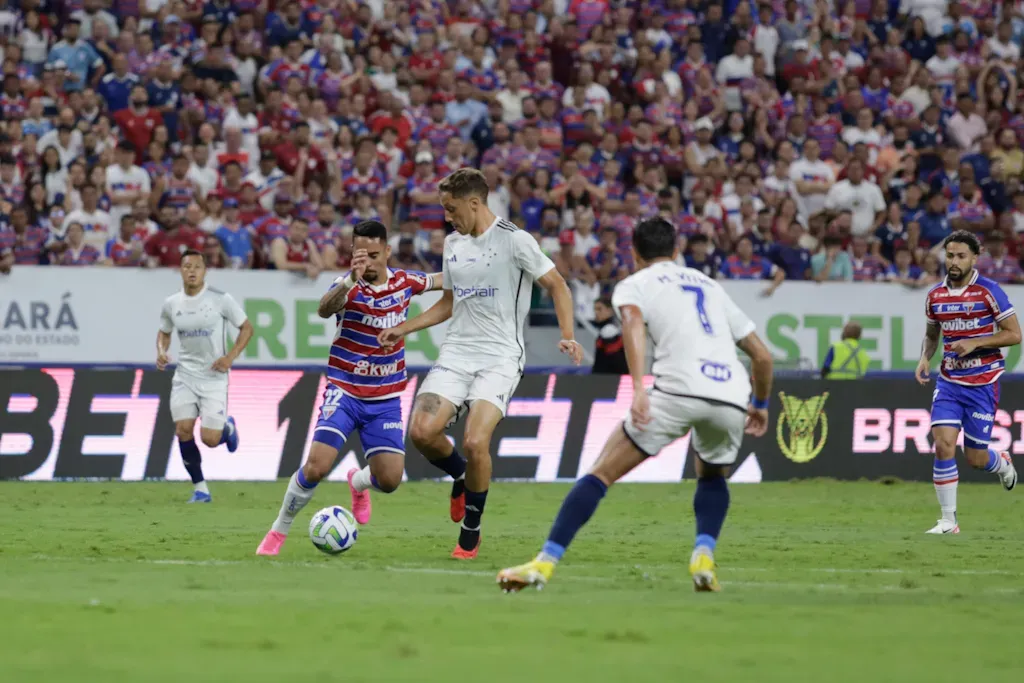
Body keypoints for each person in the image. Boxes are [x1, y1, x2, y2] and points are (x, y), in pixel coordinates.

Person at [496, 217, 774, 593]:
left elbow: (631, 325)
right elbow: (762, 357)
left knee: (600, 473)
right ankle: (704, 555)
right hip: (731, 396)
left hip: (677, 391)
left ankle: (544, 564)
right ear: (676, 251)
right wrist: (759, 403)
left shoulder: (635, 284)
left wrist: (640, 389)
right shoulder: (710, 285)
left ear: (635, 253)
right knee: (711, 474)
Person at [378, 168, 583, 559]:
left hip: (500, 356)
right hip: (457, 352)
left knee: (475, 440)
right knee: (422, 432)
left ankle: (470, 531)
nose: (448, 218)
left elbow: (557, 284)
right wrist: (403, 328)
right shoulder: (454, 244)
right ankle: (459, 475)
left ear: (475, 203)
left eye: (452, 209)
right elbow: (449, 303)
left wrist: (568, 334)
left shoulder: (514, 240)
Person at [256, 220, 443, 556]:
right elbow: (324, 308)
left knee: (390, 480)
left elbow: (444, 281)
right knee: (316, 466)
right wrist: (348, 280)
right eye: (360, 255)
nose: (367, 261)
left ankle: (358, 482)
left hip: (385, 398)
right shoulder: (347, 287)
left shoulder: (405, 281)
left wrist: (481, 272)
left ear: (387, 251)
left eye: (373, 255)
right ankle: (278, 531)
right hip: (344, 391)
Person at [915, 231, 1019, 535]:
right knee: (943, 445)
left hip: (983, 383)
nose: (954, 261)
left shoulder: (990, 292)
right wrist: (925, 358)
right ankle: (948, 521)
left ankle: (1000, 462)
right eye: (950, 255)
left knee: (975, 457)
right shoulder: (935, 295)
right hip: (949, 382)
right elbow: (933, 334)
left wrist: (976, 342)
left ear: (975, 257)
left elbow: (1014, 334)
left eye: (961, 256)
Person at [156, 249, 254, 503]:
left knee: (210, 439)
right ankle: (200, 489)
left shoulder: (220, 299)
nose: (191, 271)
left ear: (204, 271)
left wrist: (230, 358)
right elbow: (164, 331)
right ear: (180, 270)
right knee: (183, 430)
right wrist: (161, 351)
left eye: (197, 267)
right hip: (185, 375)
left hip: (213, 377)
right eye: (187, 266)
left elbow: (246, 328)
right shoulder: (172, 303)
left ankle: (227, 428)